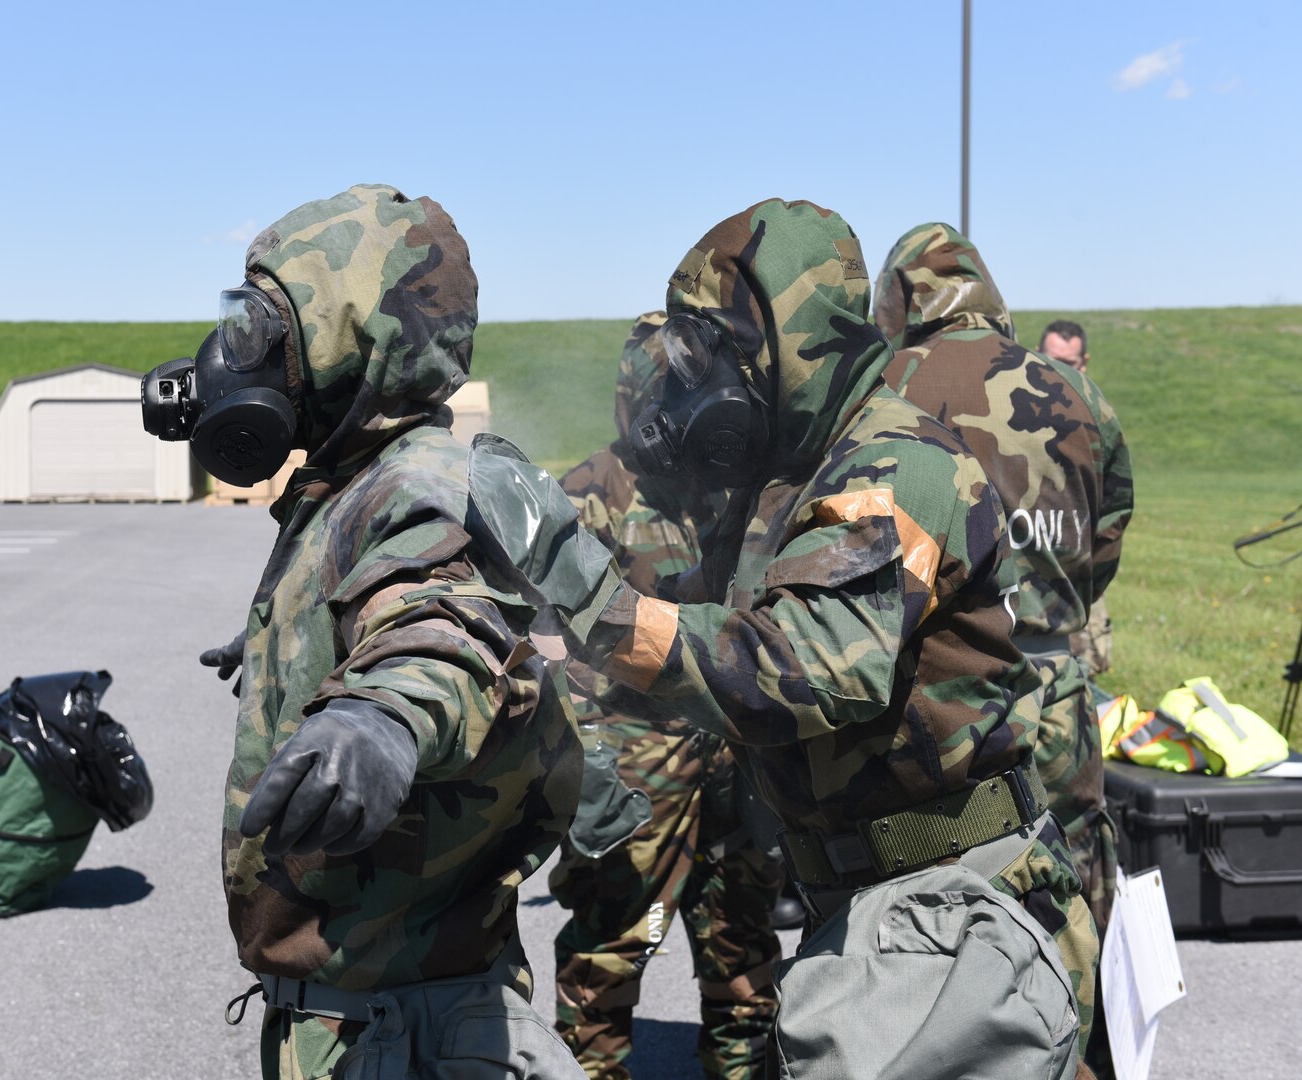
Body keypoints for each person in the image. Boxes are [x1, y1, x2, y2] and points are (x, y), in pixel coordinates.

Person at [516, 198, 1098, 1079]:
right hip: (873, 904)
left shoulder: (893, 464)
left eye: (710, 355)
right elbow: (697, 593)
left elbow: (807, 664)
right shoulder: (796, 475)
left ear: (785, 347)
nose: (695, 382)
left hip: (943, 912)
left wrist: (596, 605)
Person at [148, 184, 586, 1079]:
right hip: (372, 1009)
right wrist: (294, 649)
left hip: (395, 1033)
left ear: (352, 342)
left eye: (263, 332)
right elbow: (381, 604)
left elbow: (441, 625)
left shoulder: (418, 486)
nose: (234, 359)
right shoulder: (353, 487)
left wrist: (381, 715)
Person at [873, 229, 1132, 943]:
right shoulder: (1077, 391)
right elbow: (1109, 527)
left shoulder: (881, 386)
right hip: (1056, 685)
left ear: (897, 299)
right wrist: (1054, 599)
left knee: (937, 901)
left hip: (936, 693)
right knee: (1075, 888)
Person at [550, 311, 786, 1080]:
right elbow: (505, 604)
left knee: (743, 949)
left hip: (736, 753)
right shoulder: (591, 491)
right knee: (609, 952)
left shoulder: (743, 489)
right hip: (633, 757)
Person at [1040, 319, 1113, 677]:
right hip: (1033, 565)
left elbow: (1116, 511)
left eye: (1068, 363)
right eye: (1051, 358)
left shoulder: (1098, 419)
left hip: (1083, 567)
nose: (1058, 370)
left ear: (1084, 363)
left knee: (1088, 670)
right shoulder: (1018, 412)